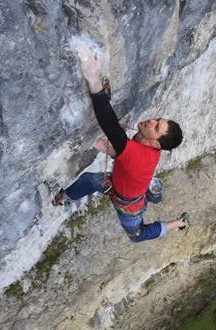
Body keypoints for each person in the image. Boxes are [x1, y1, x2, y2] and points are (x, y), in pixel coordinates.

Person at [52, 45, 188, 242]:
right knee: (88, 180)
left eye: (156, 128)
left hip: (129, 204)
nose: (151, 122)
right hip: (126, 185)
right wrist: (111, 151)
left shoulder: (141, 155)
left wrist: (93, 78)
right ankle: (64, 197)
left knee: (137, 235)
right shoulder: (146, 143)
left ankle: (179, 223)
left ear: (157, 144)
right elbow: (124, 150)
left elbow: (109, 124)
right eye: (157, 120)